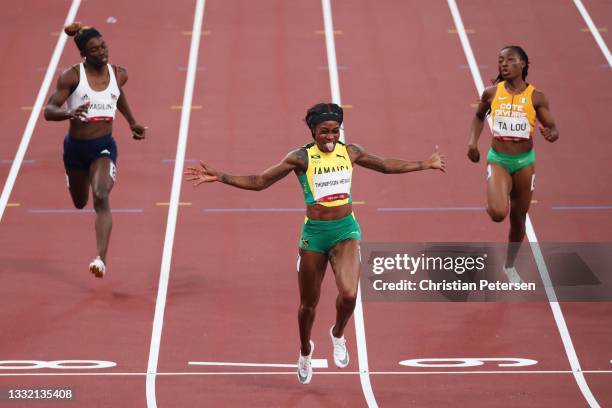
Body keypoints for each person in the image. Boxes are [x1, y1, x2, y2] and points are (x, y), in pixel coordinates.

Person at [185, 103, 445, 384]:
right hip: (315, 236)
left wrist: (424, 163)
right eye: (324, 132)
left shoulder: (350, 151)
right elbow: (260, 181)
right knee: (308, 305)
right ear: (313, 131)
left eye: (335, 131)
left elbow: (384, 166)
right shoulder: (300, 158)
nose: (330, 137)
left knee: (349, 295)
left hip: (346, 230)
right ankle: (305, 351)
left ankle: (338, 334)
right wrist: (220, 176)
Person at [44, 22, 147, 278]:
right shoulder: (72, 76)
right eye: (95, 49)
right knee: (80, 202)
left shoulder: (118, 73)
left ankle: (100, 259)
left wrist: (132, 121)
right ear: (84, 54)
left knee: (101, 196)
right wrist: (68, 112)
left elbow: (117, 93)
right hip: (75, 151)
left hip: (103, 148)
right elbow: (48, 111)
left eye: (104, 46)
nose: (103, 51)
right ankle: (73, 178)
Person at [467, 45, 558, 283]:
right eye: (500, 61)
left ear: (523, 65)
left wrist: (551, 133)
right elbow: (478, 116)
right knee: (498, 213)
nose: (503, 64)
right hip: (499, 160)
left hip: (525, 163)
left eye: (509, 60)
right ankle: (494, 194)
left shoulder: (537, 97)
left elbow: (553, 127)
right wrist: (472, 144)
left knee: (518, 219)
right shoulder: (491, 93)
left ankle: (509, 266)